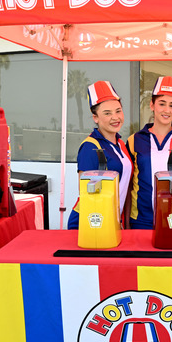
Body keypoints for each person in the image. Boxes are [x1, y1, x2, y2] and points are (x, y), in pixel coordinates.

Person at [126, 76, 172, 229]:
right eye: (162, 104)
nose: (167, 110)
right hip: (140, 220)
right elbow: (128, 185)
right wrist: (125, 220)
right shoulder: (134, 140)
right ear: (152, 105)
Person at [67, 80, 133, 230]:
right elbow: (87, 194)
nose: (115, 117)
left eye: (118, 110)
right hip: (90, 222)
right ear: (95, 117)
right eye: (107, 113)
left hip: (111, 220)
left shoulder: (120, 144)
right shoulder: (90, 147)